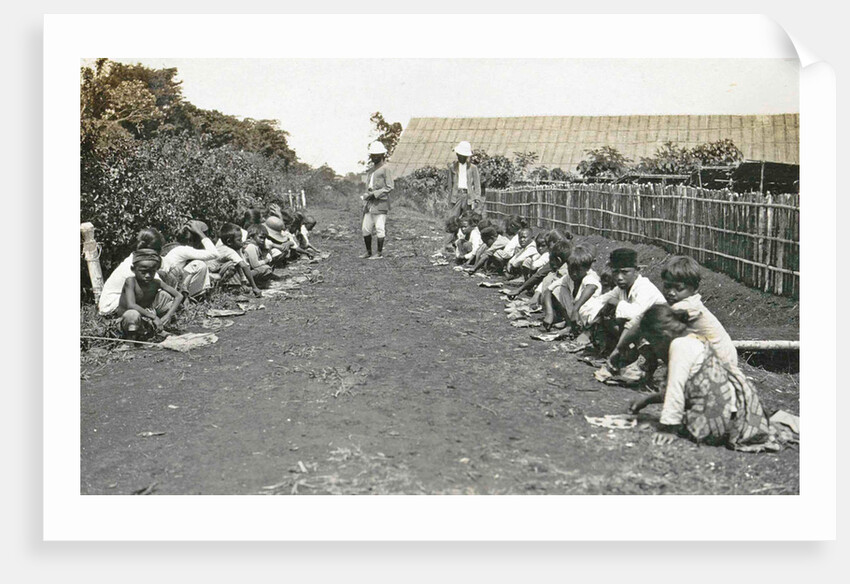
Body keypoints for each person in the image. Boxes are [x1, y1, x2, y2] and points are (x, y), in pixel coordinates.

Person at [629, 305, 778, 452]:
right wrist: (647, 400)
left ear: (664, 334)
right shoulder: (695, 337)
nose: (654, 350)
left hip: (716, 423)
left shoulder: (679, 345)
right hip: (734, 417)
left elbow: (676, 388)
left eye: (653, 343)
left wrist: (668, 428)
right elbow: (690, 388)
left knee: (651, 422)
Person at [594, 247, 666, 359]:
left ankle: (631, 355)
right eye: (615, 272)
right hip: (639, 334)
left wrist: (616, 303)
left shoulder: (644, 288)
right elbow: (598, 301)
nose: (619, 277)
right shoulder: (621, 289)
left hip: (658, 336)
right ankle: (618, 351)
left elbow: (635, 314)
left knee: (624, 317)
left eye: (625, 272)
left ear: (636, 271)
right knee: (605, 314)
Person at [115, 248, 184, 341]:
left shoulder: (156, 282)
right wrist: (154, 317)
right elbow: (131, 305)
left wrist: (167, 316)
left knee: (165, 296)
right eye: (143, 272)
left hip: (147, 317)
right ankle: (130, 339)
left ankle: (157, 329)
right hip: (128, 321)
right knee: (132, 314)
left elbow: (179, 296)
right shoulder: (130, 281)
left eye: (151, 272)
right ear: (133, 269)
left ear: (156, 270)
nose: (147, 275)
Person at [98, 227, 165, 316]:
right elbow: (160, 287)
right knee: (162, 294)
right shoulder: (138, 265)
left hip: (114, 302)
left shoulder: (136, 258)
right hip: (112, 306)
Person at [544, 245, 601, 332]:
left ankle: (585, 330)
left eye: (578, 270)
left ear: (587, 268)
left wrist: (575, 309)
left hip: (588, 315)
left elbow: (591, 287)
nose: (574, 274)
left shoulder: (590, 276)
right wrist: (549, 313)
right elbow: (548, 290)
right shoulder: (568, 277)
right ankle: (569, 324)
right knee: (558, 289)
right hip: (575, 314)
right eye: (571, 270)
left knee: (588, 305)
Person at [162, 220, 218, 299]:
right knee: (199, 265)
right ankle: (191, 296)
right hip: (169, 286)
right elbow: (214, 254)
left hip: (170, 284)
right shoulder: (184, 250)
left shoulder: (177, 248)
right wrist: (200, 233)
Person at [206, 222, 263, 297]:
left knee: (235, 263)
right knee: (232, 265)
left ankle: (234, 287)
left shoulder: (231, 248)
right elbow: (244, 266)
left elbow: (241, 266)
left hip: (216, 270)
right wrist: (254, 287)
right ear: (229, 242)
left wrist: (243, 283)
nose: (242, 242)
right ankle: (230, 288)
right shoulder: (228, 251)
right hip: (210, 274)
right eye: (239, 240)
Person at [444, 141, 482, 249]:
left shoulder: (473, 168)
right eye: (459, 155)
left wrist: (476, 198)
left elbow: (477, 184)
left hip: (468, 196)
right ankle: (450, 243)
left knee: (467, 220)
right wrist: (450, 199)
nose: (461, 157)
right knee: (453, 219)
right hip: (456, 196)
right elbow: (449, 185)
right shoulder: (452, 167)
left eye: (463, 155)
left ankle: (466, 243)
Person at [360, 141, 394, 259]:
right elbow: (368, 185)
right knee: (365, 228)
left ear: (382, 155)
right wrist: (367, 195)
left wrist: (374, 194)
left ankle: (379, 253)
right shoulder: (371, 170)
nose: (374, 157)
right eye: (372, 155)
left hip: (380, 203)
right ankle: (368, 252)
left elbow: (389, 187)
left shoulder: (386, 169)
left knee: (380, 227)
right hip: (370, 204)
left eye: (377, 155)